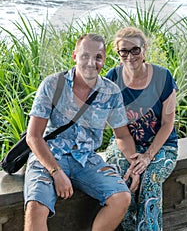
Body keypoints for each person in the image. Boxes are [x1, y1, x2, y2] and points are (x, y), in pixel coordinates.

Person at [24, 33, 139, 231]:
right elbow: (33, 137)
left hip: (86, 158)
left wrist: (134, 164)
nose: (91, 62)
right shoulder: (53, 84)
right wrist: (56, 172)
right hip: (50, 155)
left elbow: (122, 135)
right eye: (85, 56)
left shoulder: (110, 92)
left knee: (122, 197)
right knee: (36, 207)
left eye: (98, 57)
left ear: (104, 60)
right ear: (75, 56)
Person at [105, 27, 178, 231]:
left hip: (161, 146)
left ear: (144, 50)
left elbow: (167, 124)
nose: (130, 56)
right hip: (124, 144)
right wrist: (134, 163)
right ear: (118, 54)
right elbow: (117, 130)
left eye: (135, 50)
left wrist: (147, 157)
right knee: (123, 179)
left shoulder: (163, 77)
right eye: (124, 51)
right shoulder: (112, 78)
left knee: (150, 180)